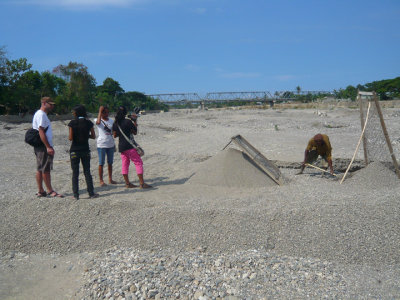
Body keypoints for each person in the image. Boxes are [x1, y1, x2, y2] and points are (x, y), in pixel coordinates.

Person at [112, 106, 152, 189]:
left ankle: (127, 183)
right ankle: (142, 183)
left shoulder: (116, 123)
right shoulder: (128, 122)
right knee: (138, 163)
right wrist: (134, 121)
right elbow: (135, 132)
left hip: (122, 147)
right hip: (130, 146)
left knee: (125, 164)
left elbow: (115, 135)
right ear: (126, 113)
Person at [32, 97, 64, 198]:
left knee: (40, 168)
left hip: (39, 145)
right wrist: (48, 146)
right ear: (44, 103)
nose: (52, 106)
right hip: (43, 146)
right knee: (45, 168)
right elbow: (41, 130)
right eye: (50, 104)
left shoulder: (39, 113)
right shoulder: (41, 115)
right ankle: (50, 190)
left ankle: (41, 190)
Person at [68, 105, 99, 199]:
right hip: (85, 150)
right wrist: (86, 135)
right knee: (87, 172)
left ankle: (76, 195)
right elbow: (93, 136)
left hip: (74, 150)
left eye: (73, 111)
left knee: (75, 173)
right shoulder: (89, 123)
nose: (73, 113)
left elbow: (70, 138)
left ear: (76, 113)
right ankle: (91, 193)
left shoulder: (72, 123)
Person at [94, 106, 117, 186]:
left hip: (110, 144)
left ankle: (110, 179)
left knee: (110, 162)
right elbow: (98, 123)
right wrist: (99, 111)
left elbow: (113, 132)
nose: (107, 114)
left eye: (108, 112)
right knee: (101, 163)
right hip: (101, 144)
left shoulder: (111, 121)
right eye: (105, 112)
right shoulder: (97, 120)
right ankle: (101, 180)